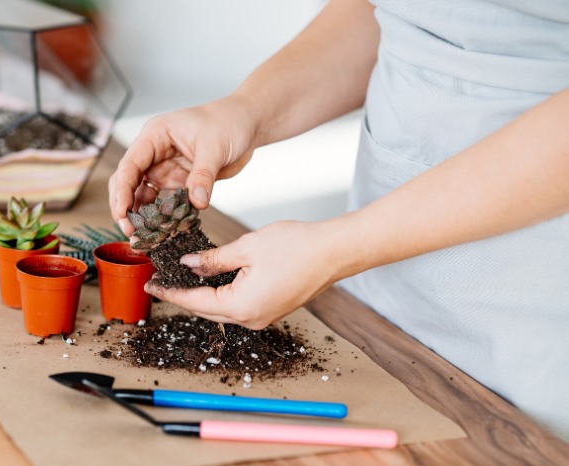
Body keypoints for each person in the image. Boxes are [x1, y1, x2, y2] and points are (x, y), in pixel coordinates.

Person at [108, 0, 569, 442]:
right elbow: (398, 11)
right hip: (375, 286)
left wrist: (337, 249)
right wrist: (244, 110)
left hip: (527, 295)